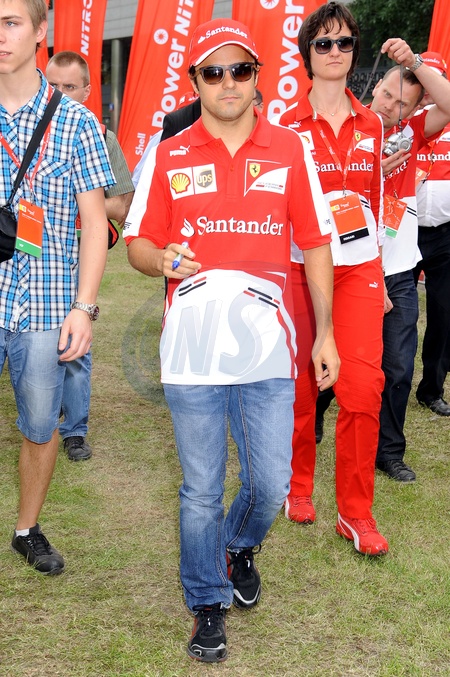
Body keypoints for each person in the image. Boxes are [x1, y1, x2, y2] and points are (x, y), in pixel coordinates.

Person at [124, 17, 339, 664]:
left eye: (240, 69)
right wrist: (160, 260)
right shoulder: (169, 153)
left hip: (267, 346)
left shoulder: (290, 148)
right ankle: (207, 602)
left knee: (271, 483)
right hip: (191, 349)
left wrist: (325, 333)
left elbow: (316, 244)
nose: (228, 83)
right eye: (213, 72)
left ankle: (238, 544)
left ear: (256, 77)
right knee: (200, 488)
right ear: (195, 81)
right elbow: (137, 243)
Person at [1, 0, 113, 573]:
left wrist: (84, 307)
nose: (0, 36)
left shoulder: (76, 122)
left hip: (46, 306)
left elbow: (95, 222)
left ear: (40, 31)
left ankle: (27, 529)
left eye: (10, 22)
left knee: (41, 426)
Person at [274, 2, 388, 555]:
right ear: (308, 54)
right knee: (301, 385)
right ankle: (297, 486)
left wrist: (381, 274)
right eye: (324, 43)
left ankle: (355, 513)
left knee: (363, 387)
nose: (335, 52)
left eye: (344, 43)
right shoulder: (285, 126)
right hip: (300, 266)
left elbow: (376, 203)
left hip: (360, 269)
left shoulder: (374, 123)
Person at [46, 51, 135, 461]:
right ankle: (42, 416)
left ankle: (74, 431)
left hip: (81, 253)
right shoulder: (22, 128)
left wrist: (80, 198)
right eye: (52, 85)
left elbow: (123, 204)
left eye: (69, 87)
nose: (60, 94)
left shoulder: (101, 136)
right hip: (33, 250)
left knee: (76, 342)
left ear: (86, 91)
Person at [370, 44, 450, 481]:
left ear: (415, 109)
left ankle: (389, 452)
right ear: (375, 88)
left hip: (400, 269)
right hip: (354, 267)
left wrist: (414, 63)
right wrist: (373, 173)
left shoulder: (414, 130)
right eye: (387, 94)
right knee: (335, 361)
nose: (390, 106)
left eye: (402, 103)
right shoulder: (348, 127)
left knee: (399, 365)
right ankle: (316, 418)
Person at [413, 52, 450, 416]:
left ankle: (432, 389)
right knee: (393, 315)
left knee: (443, 313)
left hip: (445, 234)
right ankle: (380, 384)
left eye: (433, 79)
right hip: (402, 231)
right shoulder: (403, 121)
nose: (427, 87)